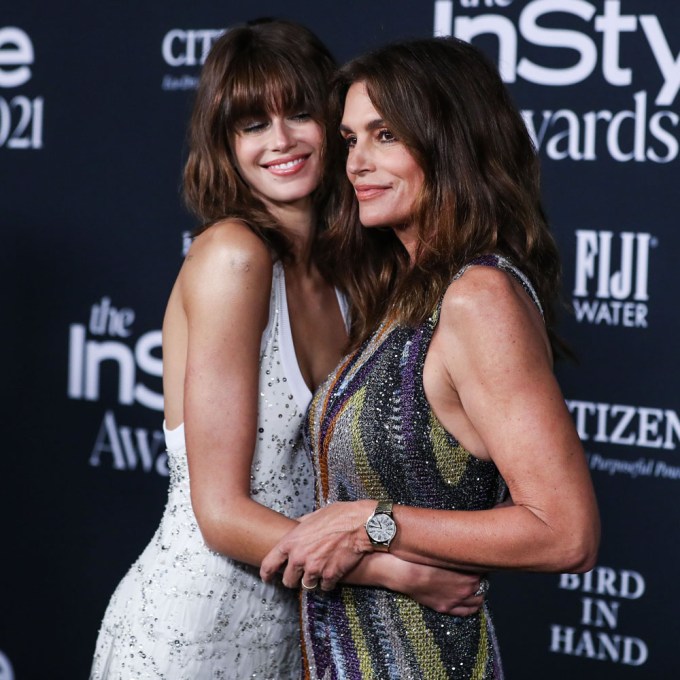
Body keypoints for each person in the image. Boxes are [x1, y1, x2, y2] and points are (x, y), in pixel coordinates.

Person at [90, 22, 486, 680]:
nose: (280, 142)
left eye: (299, 113)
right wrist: (400, 572)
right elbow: (219, 514)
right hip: (191, 636)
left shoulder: (345, 277)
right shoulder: (232, 256)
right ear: (225, 144)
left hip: (301, 628)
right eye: (252, 124)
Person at [261, 36, 601, 679]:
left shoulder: (479, 297)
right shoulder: (407, 292)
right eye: (350, 138)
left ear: (450, 141)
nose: (356, 161)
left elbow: (566, 531)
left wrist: (370, 525)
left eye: (385, 135)